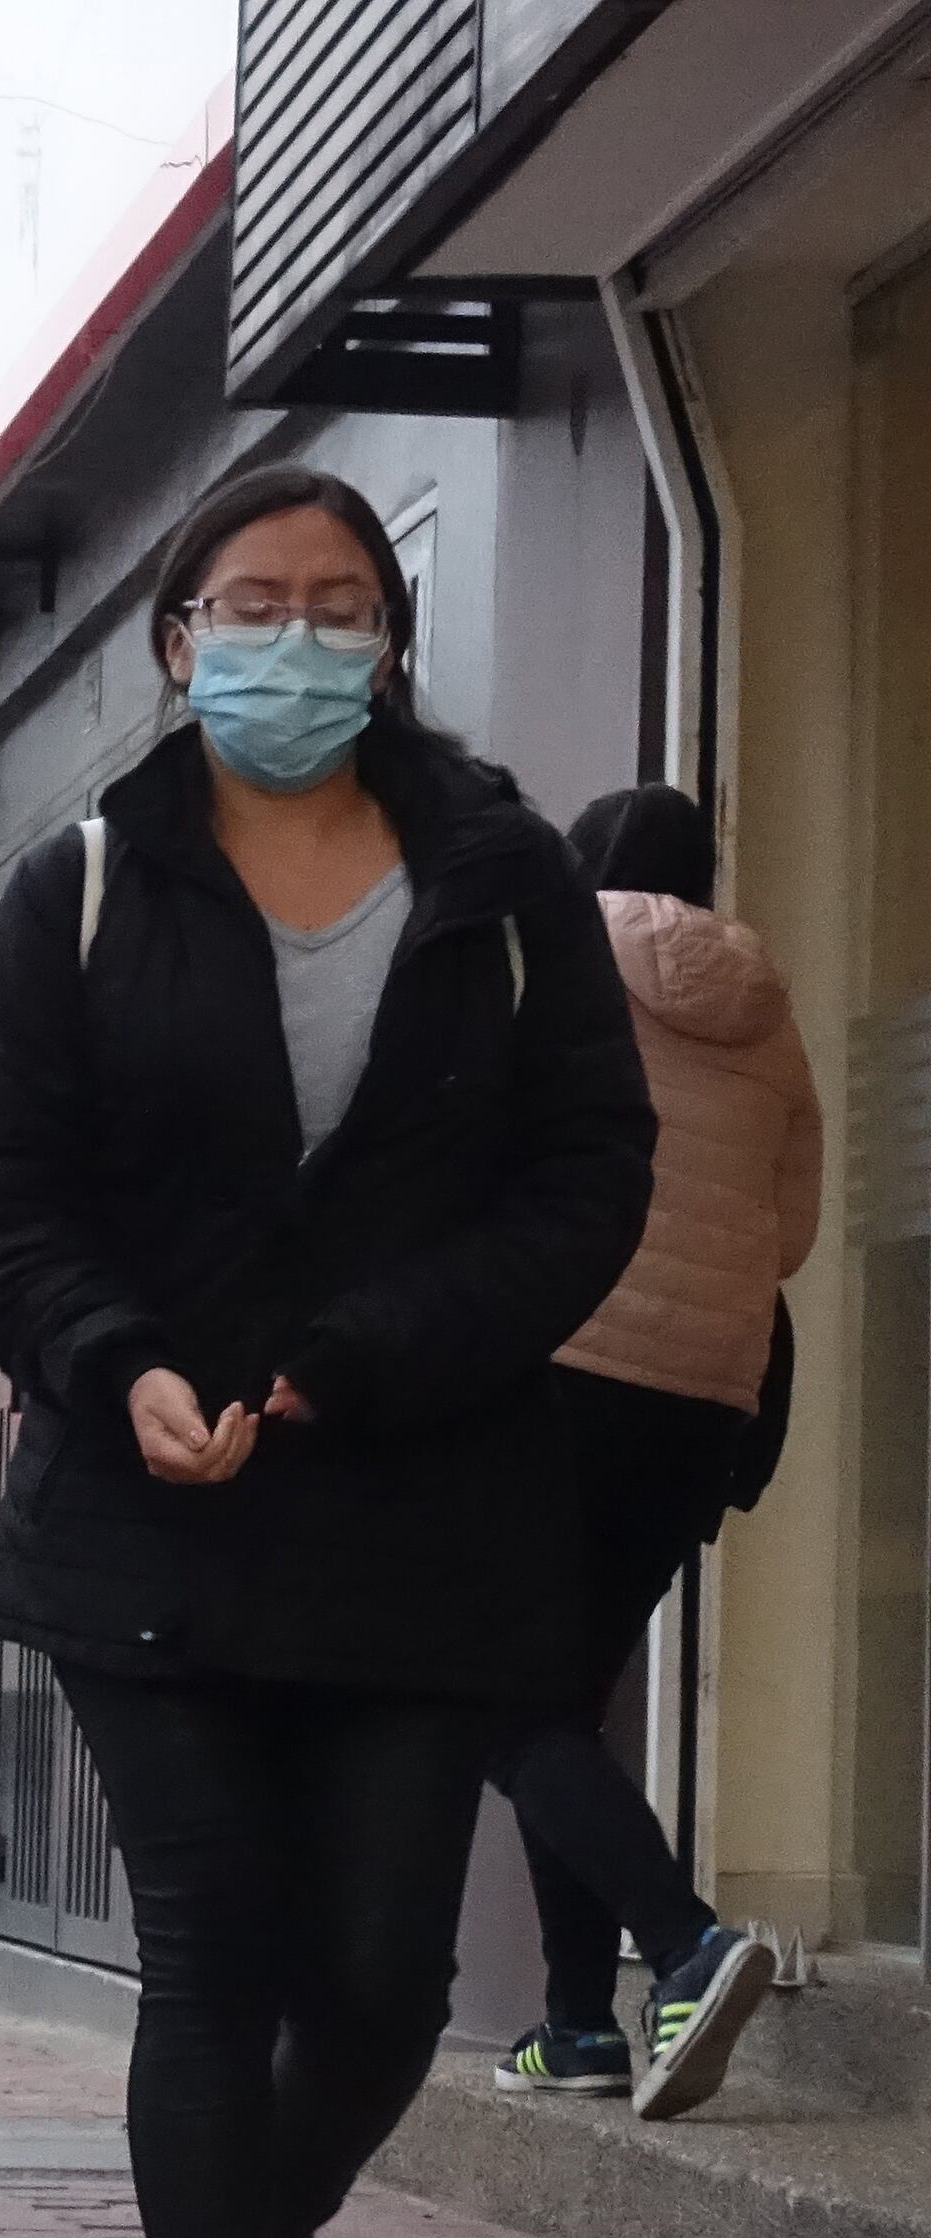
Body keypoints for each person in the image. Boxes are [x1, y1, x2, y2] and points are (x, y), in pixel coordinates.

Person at [0, 463, 653, 2238]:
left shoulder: (507, 883)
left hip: (419, 1506)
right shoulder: (75, 885)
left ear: (391, 638)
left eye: (340, 605)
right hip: (141, 1509)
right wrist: (114, 1358)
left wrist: (355, 1360)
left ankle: (266, 2220)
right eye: (251, 602)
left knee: (378, 1980)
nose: (295, 640)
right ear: (174, 638)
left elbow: (585, 1182)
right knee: (205, 1945)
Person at [482, 781, 813, 2120]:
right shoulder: (772, 1017)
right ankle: (577, 2022)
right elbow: (786, 1239)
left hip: (560, 1372)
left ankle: (685, 1942)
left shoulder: (545, 960)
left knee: (498, 1697)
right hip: (699, 1405)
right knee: (560, 1697)